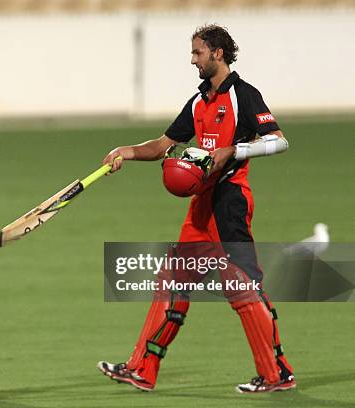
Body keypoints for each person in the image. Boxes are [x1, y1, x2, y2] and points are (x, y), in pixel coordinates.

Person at [97, 24, 296, 393]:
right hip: (202, 206)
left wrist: (234, 151)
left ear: (218, 53)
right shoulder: (199, 101)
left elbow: (279, 142)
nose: (193, 60)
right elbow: (163, 144)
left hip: (229, 202)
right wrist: (126, 150)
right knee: (172, 281)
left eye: (197, 53)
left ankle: (276, 374)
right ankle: (143, 368)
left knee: (242, 288)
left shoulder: (243, 95)